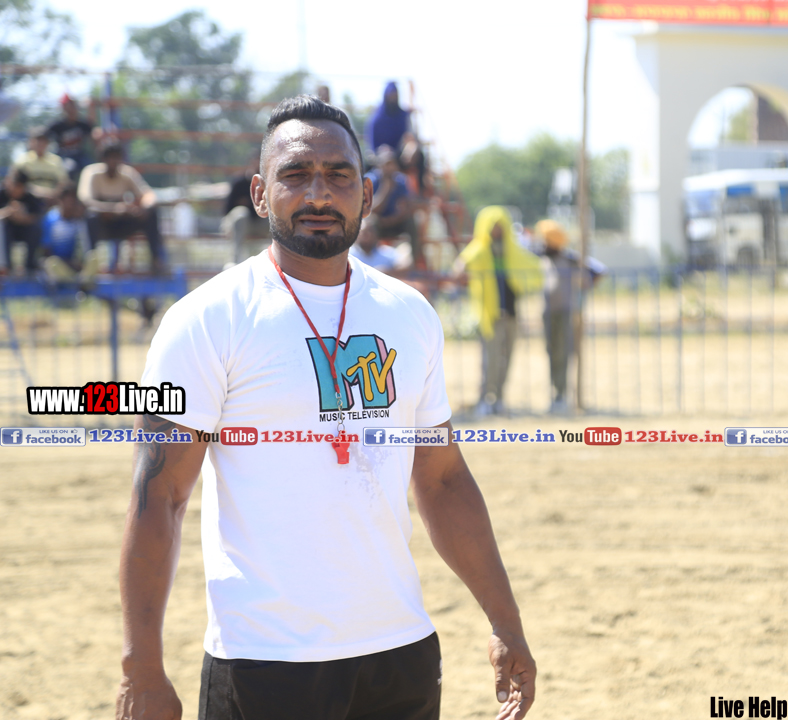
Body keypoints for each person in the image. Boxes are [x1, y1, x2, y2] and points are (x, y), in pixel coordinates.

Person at [115, 95, 535, 720]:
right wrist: (141, 669)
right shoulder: (204, 319)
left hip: (400, 655)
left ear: (366, 194)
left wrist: (505, 622)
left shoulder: (409, 314)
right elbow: (159, 495)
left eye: (338, 175)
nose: (318, 193)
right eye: (296, 174)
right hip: (264, 662)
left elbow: (443, 479)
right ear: (260, 194)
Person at [454, 207, 541, 416]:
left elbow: (535, 267)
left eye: (500, 226)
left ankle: (500, 399)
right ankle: (485, 399)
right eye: (493, 226)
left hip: (511, 314)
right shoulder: (478, 251)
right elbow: (459, 267)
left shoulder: (514, 252)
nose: (497, 230)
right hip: (490, 315)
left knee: (507, 359)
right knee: (490, 360)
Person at [534, 220, 604, 414]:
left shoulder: (570, 259)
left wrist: (583, 289)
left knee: (563, 353)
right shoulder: (543, 258)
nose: (543, 244)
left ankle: (561, 394)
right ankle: (554, 392)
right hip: (548, 312)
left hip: (566, 312)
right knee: (551, 352)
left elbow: (598, 271)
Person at [78, 143, 168, 275]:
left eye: (117, 157)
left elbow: (148, 194)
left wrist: (143, 208)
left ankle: (156, 261)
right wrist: (112, 209)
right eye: (110, 157)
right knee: (91, 216)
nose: (114, 161)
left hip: (121, 223)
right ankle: (90, 263)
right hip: (102, 224)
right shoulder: (91, 172)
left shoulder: (127, 173)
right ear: (103, 159)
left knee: (151, 214)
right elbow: (85, 201)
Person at [368, 144, 420, 266]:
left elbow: (407, 206)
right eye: (387, 164)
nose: (390, 167)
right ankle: (368, 260)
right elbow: (370, 210)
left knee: (412, 222)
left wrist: (396, 217)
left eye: (392, 163)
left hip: (396, 222)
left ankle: (414, 262)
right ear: (380, 165)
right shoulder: (370, 180)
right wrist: (386, 189)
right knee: (368, 223)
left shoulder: (401, 180)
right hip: (378, 224)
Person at [39, 183, 98, 285]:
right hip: (59, 265)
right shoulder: (50, 219)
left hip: (77, 266)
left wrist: (79, 263)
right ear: (60, 200)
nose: (70, 204)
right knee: (51, 263)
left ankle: (82, 280)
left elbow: (84, 249)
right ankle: (77, 283)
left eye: (72, 201)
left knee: (93, 257)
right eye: (67, 200)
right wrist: (68, 263)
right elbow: (46, 251)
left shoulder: (79, 221)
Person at [220, 155, 269, 266]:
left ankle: (278, 262)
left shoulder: (268, 184)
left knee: (276, 218)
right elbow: (227, 208)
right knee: (241, 214)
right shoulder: (239, 183)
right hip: (239, 224)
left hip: (258, 223)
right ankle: (235, 260)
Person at [0, 171, 44, 274]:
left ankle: (30, 266)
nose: (16, 189)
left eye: (19, 186)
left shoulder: (30, 198)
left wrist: (22, 217)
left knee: (36, 229)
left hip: (23, 230)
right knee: (2, 226)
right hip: (6, 231)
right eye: (14, 185)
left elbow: (36, 217)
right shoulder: (1, 194)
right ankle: (5, 266)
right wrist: (8, 211)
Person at [47, 94, 98, 182]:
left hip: (79, 154)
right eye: (68, 108)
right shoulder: (57, 126)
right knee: (70, 167)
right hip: (63, 154)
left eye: (73, 107)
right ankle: (69, 189)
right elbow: (44, 137)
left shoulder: (82, 124)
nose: (71, 110)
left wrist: (91, 107)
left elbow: (93, 131)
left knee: (91, 168)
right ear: (64, 109)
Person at [11, 126, 69, 199]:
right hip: (28, 199)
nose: (40, 143)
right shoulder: (22, 160)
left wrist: (53, 194)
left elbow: (63, 183)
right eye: (37, 140)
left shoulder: (56, 160)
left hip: (51, 199)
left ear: (48, 142)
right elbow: (13, 182)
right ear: (31, 141)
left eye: (43, 140)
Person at [367, 81, 413, 156]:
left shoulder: (403, 116)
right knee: (387, 158)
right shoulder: (377, 117)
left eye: (395, 95)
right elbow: (373, 142)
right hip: (382, 154)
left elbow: (409, 135)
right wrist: (382, 150)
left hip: (401, 154)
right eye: (391, 95)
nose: (393, 98)